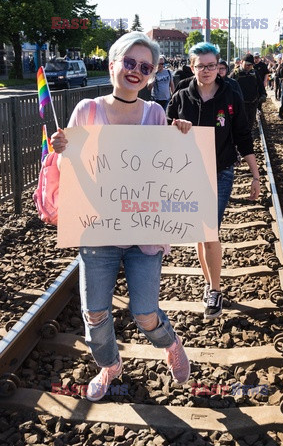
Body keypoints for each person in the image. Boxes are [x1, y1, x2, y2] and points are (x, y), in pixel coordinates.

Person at [51, 32, 190, 402]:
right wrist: (62, 150)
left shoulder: (156, 113)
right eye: (129, 62)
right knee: (95, 314)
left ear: (152, 74)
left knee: (145, 313)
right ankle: (110, 366)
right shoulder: (87, 110)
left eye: (145, 67)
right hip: (98, 231)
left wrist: (181, 138)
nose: (136, 71)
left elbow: (166, 170)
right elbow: (73, 169)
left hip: (143, 232)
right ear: (113, 63)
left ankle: (170, 342)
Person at [167, 42, 260, 319]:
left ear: (219, 66)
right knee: (200, 232)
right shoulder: (182, 96)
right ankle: (209, 285)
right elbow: (163, 131)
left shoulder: (231, 94)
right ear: (192, 66)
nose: (206, 71)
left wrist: (255, 175)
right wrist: (174, 127)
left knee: (208, 230)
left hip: (220, 171)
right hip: (189, 172)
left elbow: (243, 134)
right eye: (200, 66)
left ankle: (215, 291)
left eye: (211, 65)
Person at [230, 53, 266, 130]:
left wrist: (263, 94)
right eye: (247, 64)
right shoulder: (235, 74)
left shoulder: (254, 73)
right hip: (240, 105)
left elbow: (260, 85)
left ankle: (248, 138)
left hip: (252, 103)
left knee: (250, 124)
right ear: (241, 62)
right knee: (240, 124)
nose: (248, 66)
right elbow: (228, 86)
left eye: (250, 65)